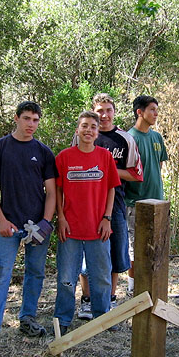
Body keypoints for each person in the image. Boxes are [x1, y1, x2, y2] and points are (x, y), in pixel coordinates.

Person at [0, 101, 57, 350]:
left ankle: (28, 319)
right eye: (26, 119)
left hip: (37, 225)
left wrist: (46, 223)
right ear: (16, 118)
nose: (31, 124)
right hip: (9, 225)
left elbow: (52, 192)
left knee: (35, 273)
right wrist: (1, 220)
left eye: (35, 120)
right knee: (0, 274)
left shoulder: (44, 152)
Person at [76, 93, 143, 320]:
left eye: (108, 110)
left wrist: (108, 172)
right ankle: (87, 300)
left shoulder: (125, 139)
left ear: (114, 112)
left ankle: (111, 299)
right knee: (85, 255)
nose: (104, 115)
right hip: (86, 204)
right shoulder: (84, 135)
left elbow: (136, 174)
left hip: (115, 204)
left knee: (115, 253)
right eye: (99, 111)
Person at [54, 111, 121, 335]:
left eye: (93, 126)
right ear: (77, 130)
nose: (88, 130)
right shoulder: (64, 157)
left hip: (98, 228)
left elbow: (111, 189)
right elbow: (57, 190)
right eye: (84, 126)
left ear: (98, 132)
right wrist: (61, 218)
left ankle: (102, 317)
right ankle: (62, 319)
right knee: (66, 278)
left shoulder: (105, 157)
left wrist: (107, 218)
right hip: (70, 229)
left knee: (101, 277)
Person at [124, 95, 168, 294]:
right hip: (135, 202)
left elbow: (158, 165)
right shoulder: (129, 138)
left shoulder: (157, 137)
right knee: (135, 247)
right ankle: (133, 286)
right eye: (152, 109)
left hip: (157, 201)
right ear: (139, 112)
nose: (156, 114)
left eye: (157, 110)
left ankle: (152, 284)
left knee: (156, 244)